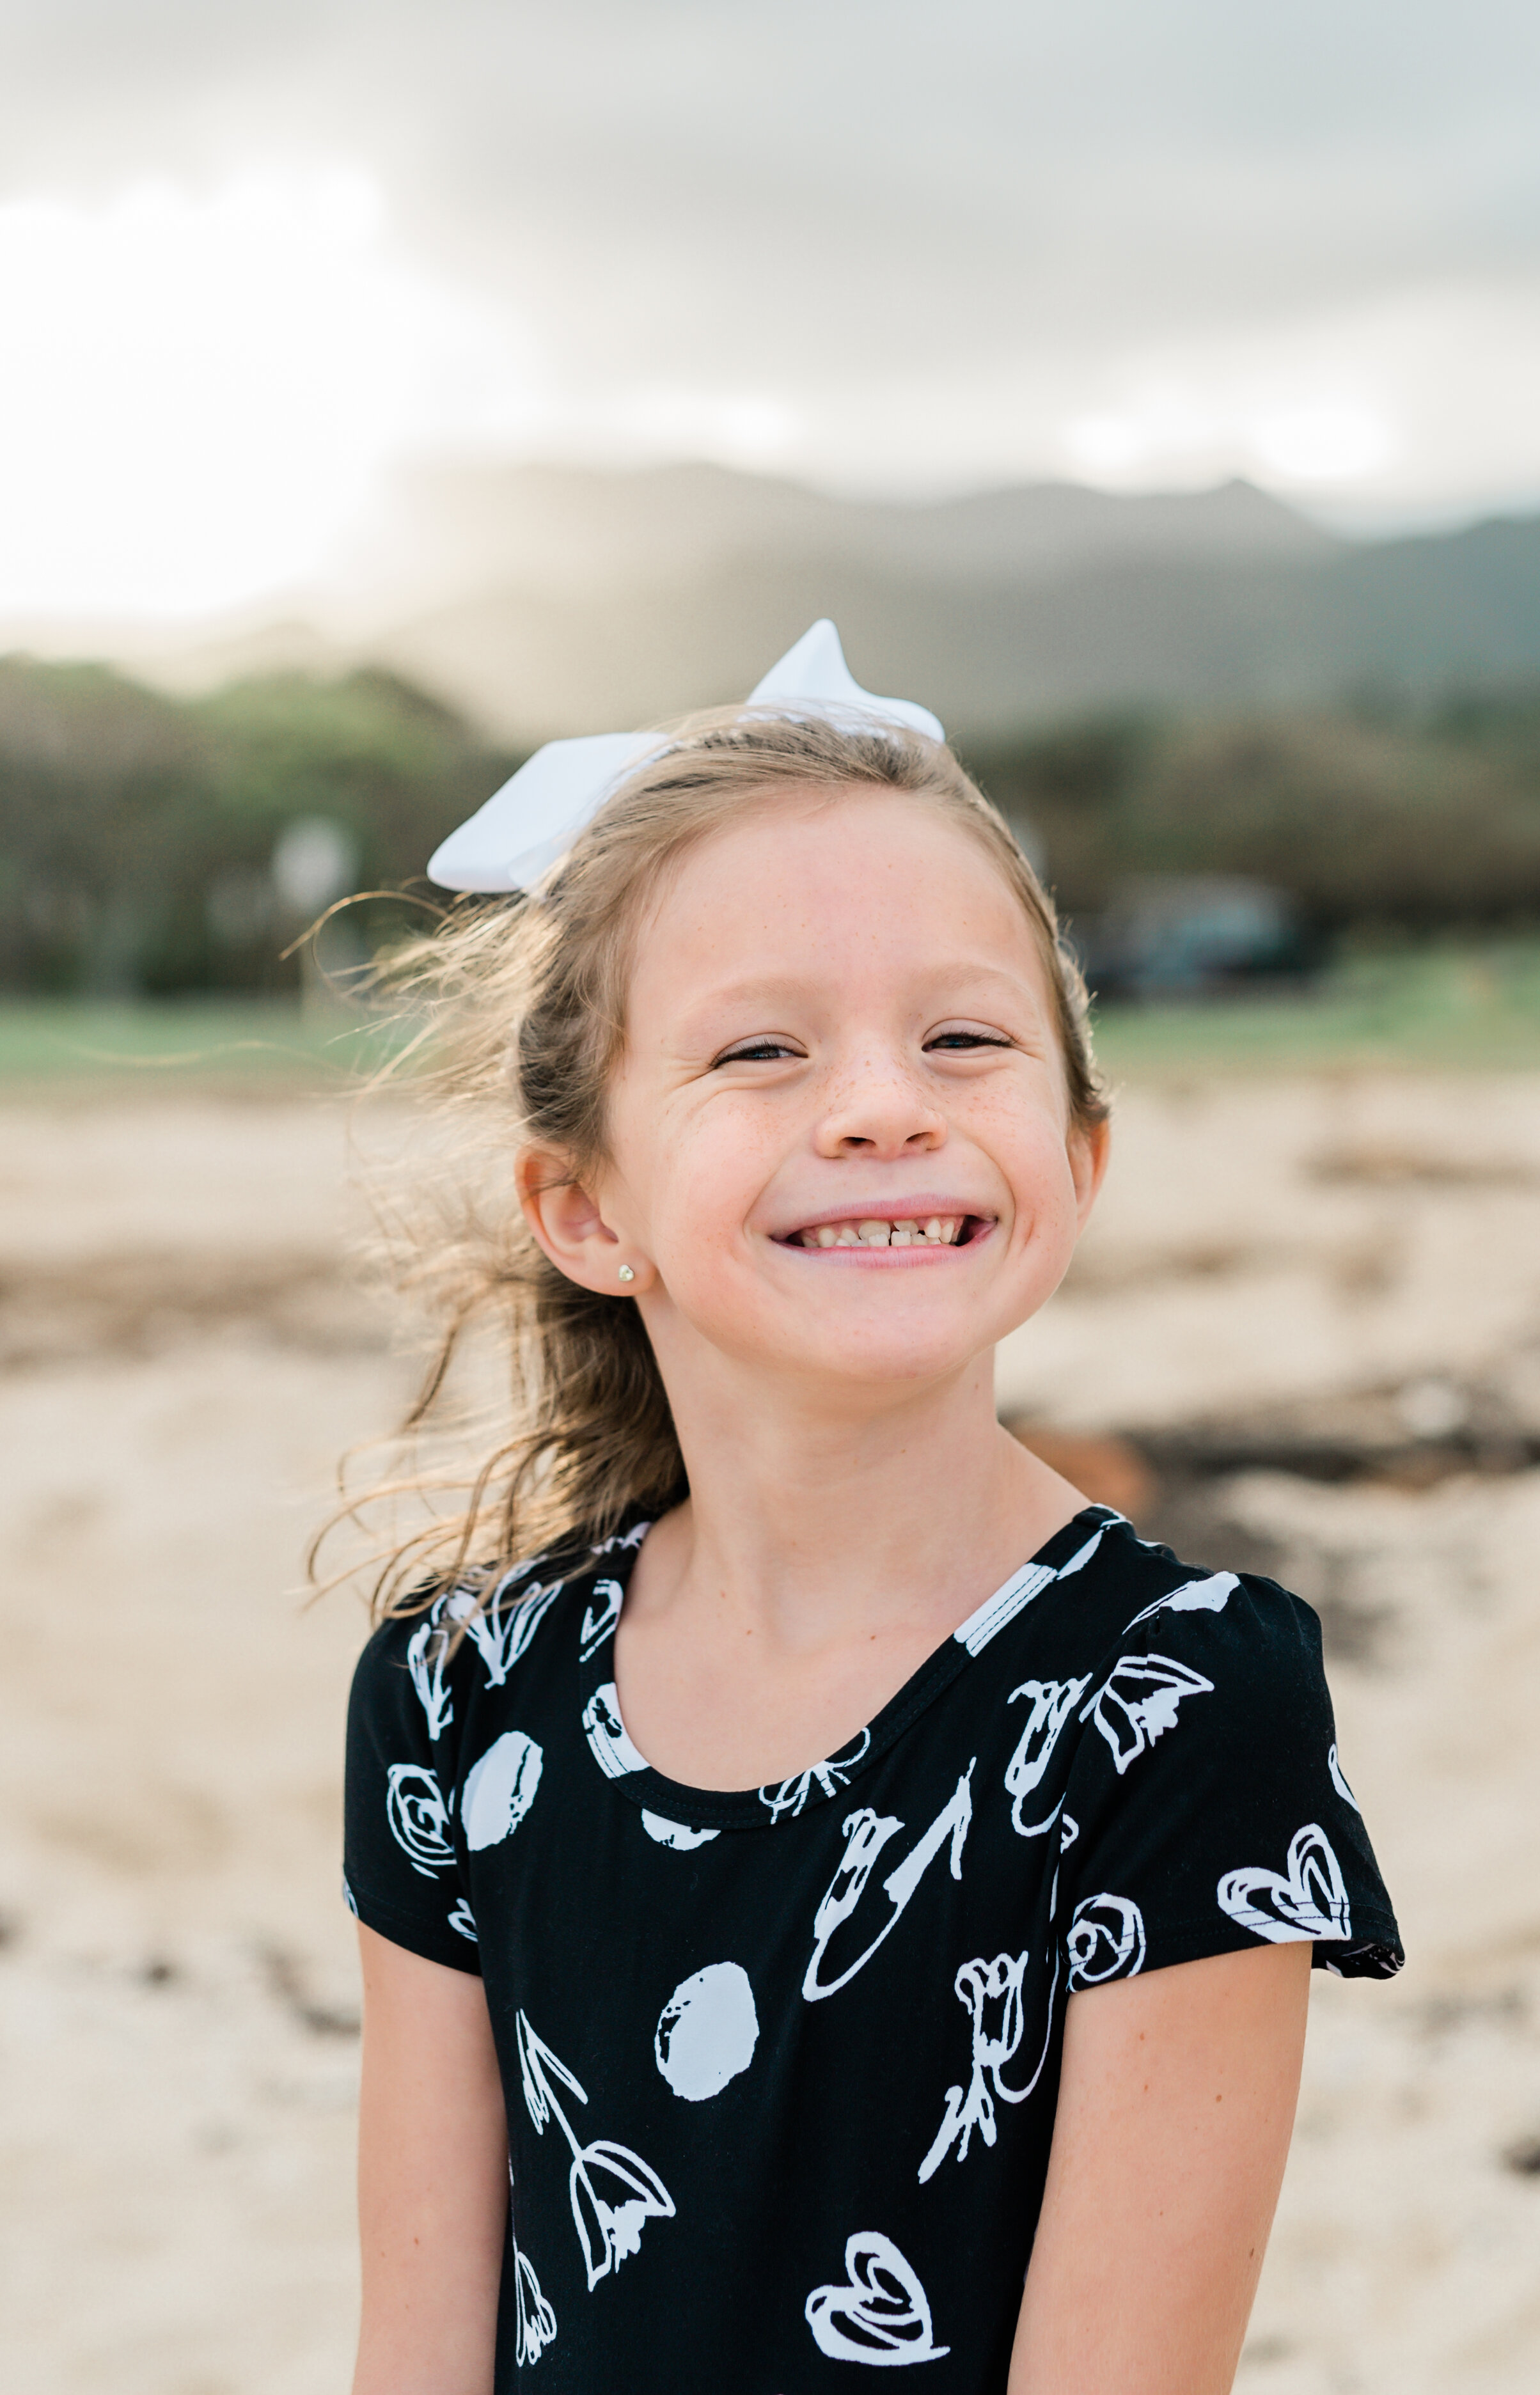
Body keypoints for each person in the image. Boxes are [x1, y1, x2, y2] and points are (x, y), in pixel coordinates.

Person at [339, 623, 1401, 2394]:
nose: (882, 1106)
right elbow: (418, 2353)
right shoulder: (457, 1697)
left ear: (1077, 1154)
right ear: (586, 1207)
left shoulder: (1172, 1711)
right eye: (760, 1050)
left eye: (963, 1035)